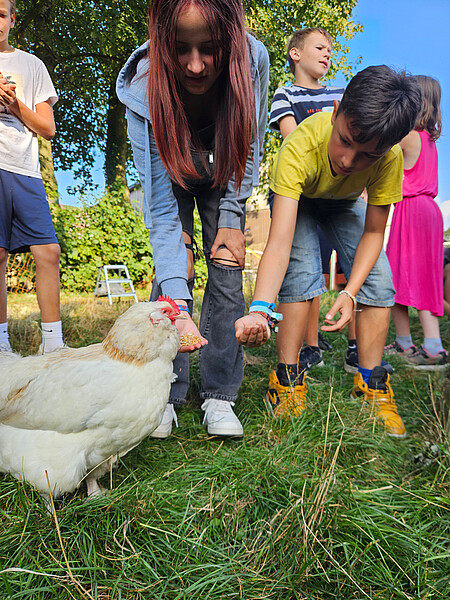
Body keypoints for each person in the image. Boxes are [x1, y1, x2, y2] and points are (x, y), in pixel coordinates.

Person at [235, 65, 422, 439]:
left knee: (379, 283)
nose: (349, 161)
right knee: (301, 274)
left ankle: (372, 384)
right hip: (300, 198)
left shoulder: (390, 160)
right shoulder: (299, 146)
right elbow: (280, 242)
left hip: (343, 203)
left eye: (367, 155)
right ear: (336, 113)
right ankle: (286, 380)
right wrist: (259, 306)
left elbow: (373, 232)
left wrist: (350, 292)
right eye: (345, 140)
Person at [117, 0, 269, 438]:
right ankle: (165, 391)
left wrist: (232, 215)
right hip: (173, 174)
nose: (197, 65)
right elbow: (162, 214)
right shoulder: (142, 87)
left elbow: (251, 146)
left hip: (227, 169)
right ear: (163, 43)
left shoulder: (253, 60)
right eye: (181, 49)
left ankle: (219, 395)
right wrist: (178, 308)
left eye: (210, 49)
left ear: (230, 42)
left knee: (227, 259)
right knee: (174, 270)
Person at [267, 27, 350, 372]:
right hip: (300, 191)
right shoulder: (284, 93)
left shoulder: (342, 93)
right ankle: (304, 345)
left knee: (327, 266)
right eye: (320, 47)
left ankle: (324, 343)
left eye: (330, 49)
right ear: (296, 54)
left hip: (336, 194)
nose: (327, 54)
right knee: (304, 270)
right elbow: (294, 140)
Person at [0, 0, 65, 355]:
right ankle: (1, 346)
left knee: (48, 251)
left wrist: (14, 106)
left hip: (24, 170)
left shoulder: (31, 65)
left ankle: (53, 346)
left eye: (0, 13)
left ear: (12, 19)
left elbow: (48, 128)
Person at [385, 76, 448, 370]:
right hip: (428, 211)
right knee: (402, 276)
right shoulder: (428, 140)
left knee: (404, 277)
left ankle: (433, 349)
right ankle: (404, 342)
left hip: (412, 211)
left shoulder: (408, 136)